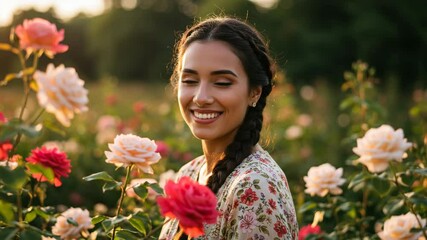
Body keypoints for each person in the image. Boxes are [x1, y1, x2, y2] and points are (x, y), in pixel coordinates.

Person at [159, 16, 298, 239]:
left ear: (255, 92)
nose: (201, 97)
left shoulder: (254, 187)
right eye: (190, 81)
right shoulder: (189, 174)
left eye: (222, 83)